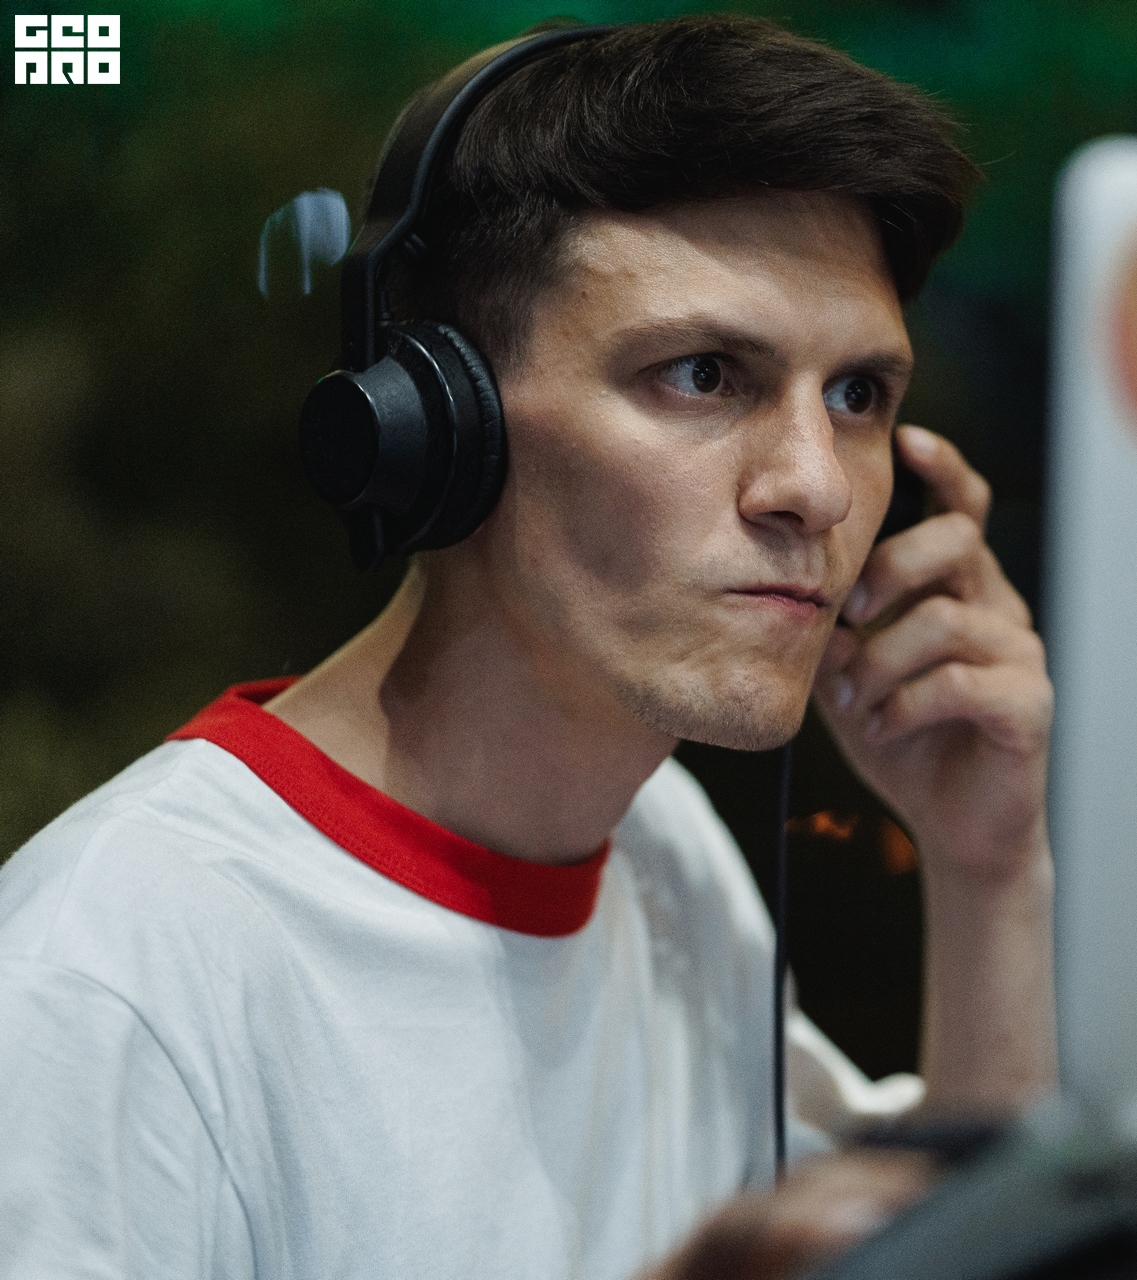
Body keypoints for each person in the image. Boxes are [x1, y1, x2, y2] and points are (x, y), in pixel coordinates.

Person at [0, 16, 1056, 1278]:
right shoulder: (103, 986)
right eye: (704, 373)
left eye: (857, 395)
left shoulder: (666, 860)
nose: (817, 487)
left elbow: (959, 1246)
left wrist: (989, 870)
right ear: (434, 422)